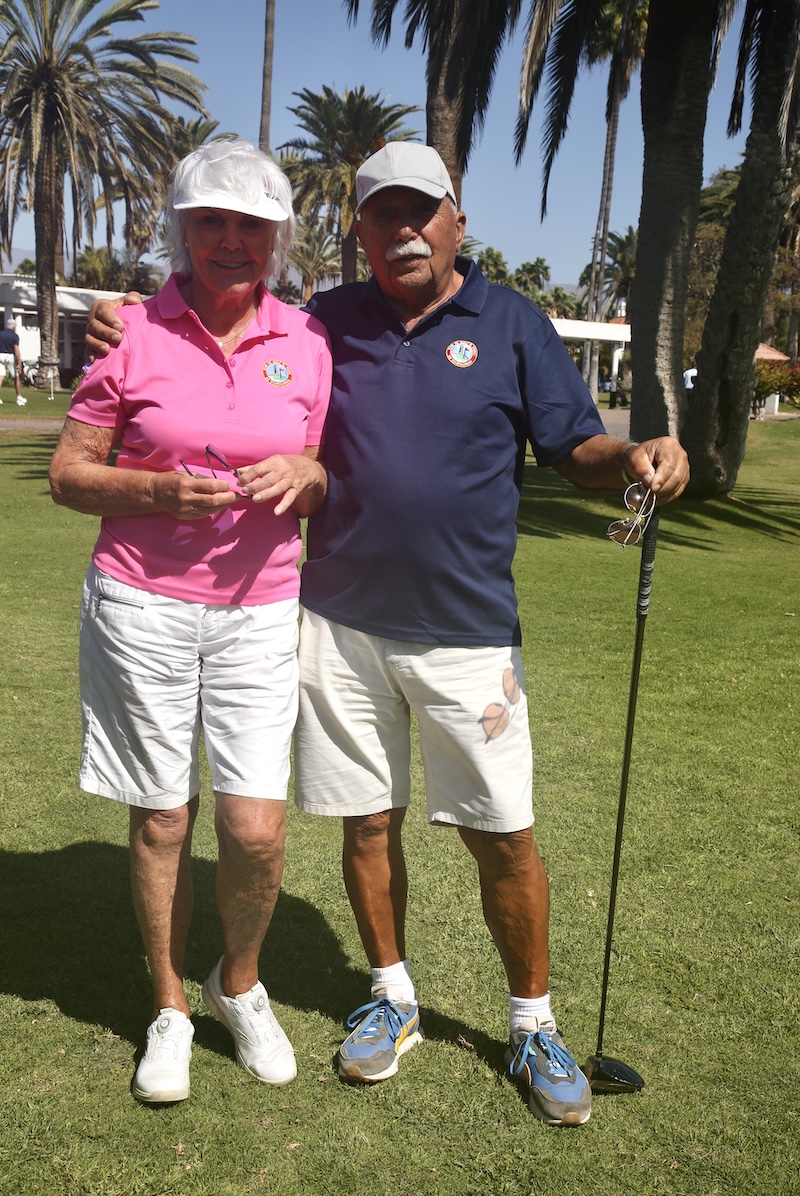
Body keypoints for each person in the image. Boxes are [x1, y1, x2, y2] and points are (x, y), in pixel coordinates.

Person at [86, 142, 689, 1128]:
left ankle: (532, 1023)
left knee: (503, 834)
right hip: (338, 625)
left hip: (467, 629)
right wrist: (127, 313)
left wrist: (630, 455)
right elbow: (221, 315)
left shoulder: (512, 323)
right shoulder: (325, 321)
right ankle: (391, 994)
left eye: (420, 211)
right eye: (382, 214)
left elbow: (572, 446)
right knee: (366, 824)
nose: (403, 230)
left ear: (456, 221)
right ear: (358, 229)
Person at [50, 139, 332, 1105]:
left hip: (261, 608)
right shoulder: (131, 332)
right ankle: (169, 1005)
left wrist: (308, 473)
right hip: (142, 605)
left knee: (254, 827)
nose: (231, 240)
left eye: (251, 224)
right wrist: (156, 490)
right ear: (181, 229)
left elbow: (322, 475)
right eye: (211, 220)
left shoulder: (306, 342)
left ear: (278, 238)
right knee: (164, 816)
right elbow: (69, 474)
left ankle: (237, 983)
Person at [0, 318, 27, 405]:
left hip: (0, 355)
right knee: (16, 377)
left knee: (0, 376)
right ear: (13, 327)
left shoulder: (1, 334)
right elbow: (16, 350)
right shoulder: (14, 336)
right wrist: (19, 363)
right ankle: (19, 397)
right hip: (9, 356)